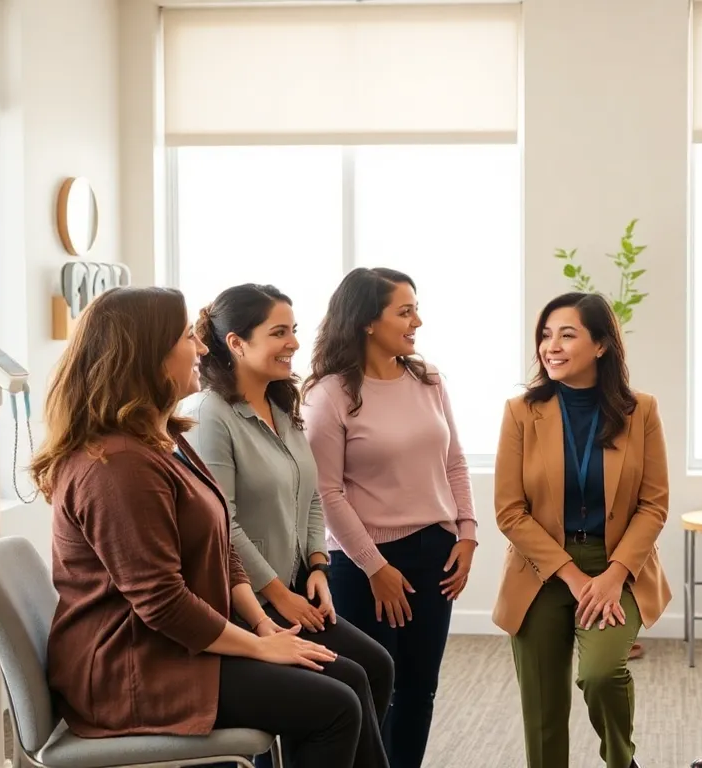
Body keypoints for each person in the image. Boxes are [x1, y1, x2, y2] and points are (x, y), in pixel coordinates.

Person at [33, 286, 369, 768]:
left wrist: (261, 624)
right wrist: (258, 646)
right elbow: (163, 603)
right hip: (135, 669)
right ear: (148, 355)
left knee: (350, 679)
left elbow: (223, 547)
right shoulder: (118, 464)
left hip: (172, 647)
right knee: (335, 706)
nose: (202, 347)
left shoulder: (163, 438)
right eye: (188, 337)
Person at [179, 283, 395, 768]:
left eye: (293, 330)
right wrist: (277, 593)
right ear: (236, 343)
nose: (294, 343)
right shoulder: (210, 414)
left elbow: (311, 493)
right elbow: (223, 523)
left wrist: (318, 564)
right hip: (247, 603)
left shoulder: (281, 406)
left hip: (296, 588)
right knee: (345, 686)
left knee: (376, 667)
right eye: (279, 332)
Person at [302, 267, 477, 768]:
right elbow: (327, 493)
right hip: (365, 566)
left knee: (420, 689)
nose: (417, 321)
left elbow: (455, 461)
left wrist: (467, 534)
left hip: (436, 552)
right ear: (366, 322)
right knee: (376, 691)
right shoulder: (329, 394)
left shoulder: (428, 379)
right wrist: (375, 567)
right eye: (405, 311)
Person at [493, 292, 672, 768]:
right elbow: (510, 511)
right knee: (543, 709)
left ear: (600, 346)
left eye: (567, 334)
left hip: (618, 566)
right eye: (546, 335)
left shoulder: (641, 411)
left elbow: (653, 506)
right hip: (541, 569)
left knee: (600, 673)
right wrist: (571, 575)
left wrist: (613, 576)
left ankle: (621, 761)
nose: (551, 345)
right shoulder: (520, 412)